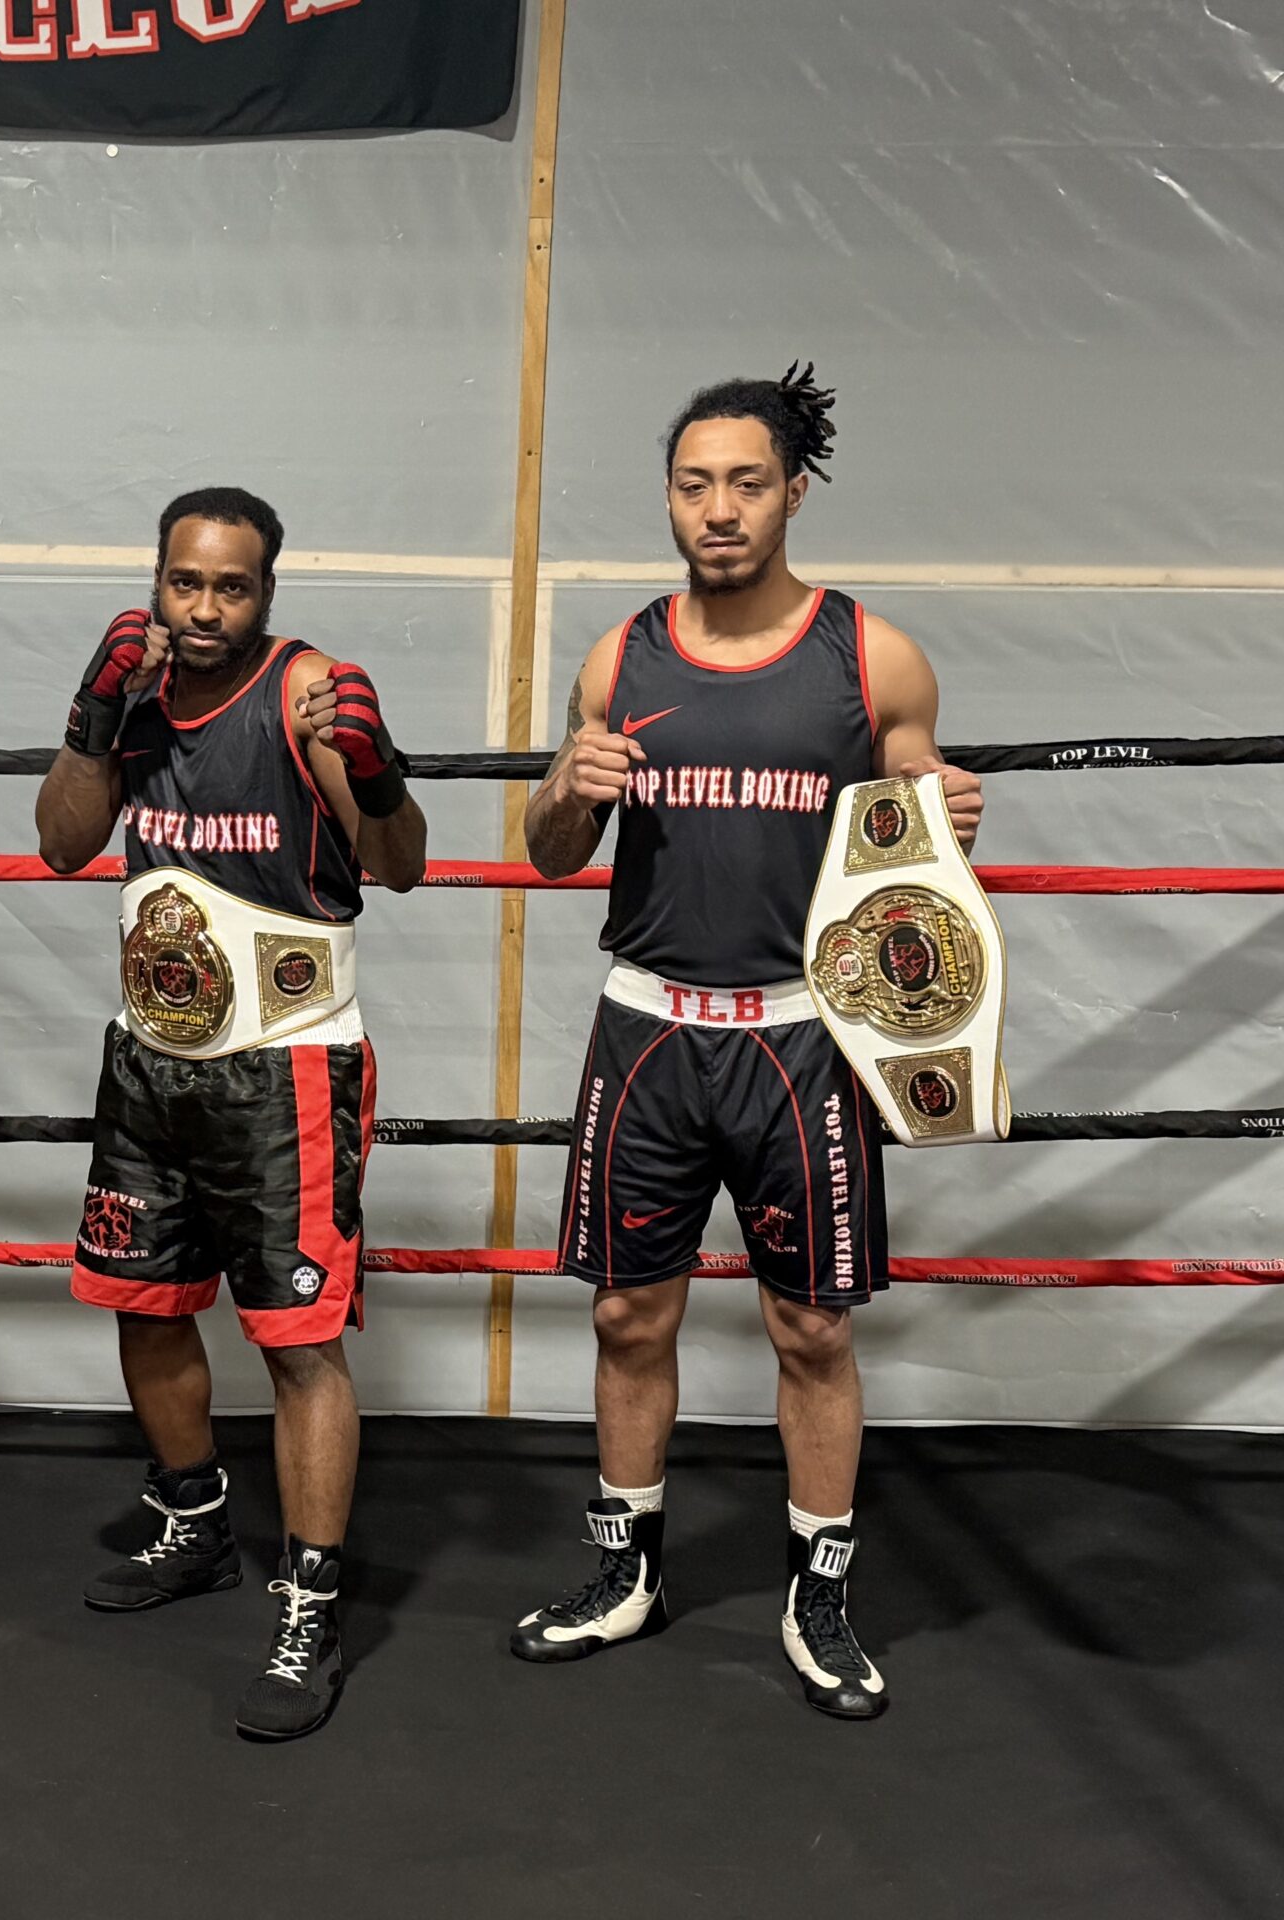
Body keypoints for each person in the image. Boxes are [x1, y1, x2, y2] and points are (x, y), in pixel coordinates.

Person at [507, 366, 984, 1719]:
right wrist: (567, 787)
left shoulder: (872, 658)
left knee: (811, 1329)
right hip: (648, 1030)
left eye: (746, 483)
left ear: (794, 493)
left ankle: (818, 1597)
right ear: (669, 497)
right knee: (625, 1313)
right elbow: (550, 854)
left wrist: (948, 819)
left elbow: (918, 866)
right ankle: (628, 1573)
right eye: (694, 484)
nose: (718, 510)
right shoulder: (621, 658)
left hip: (800, 1037)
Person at [35, 487, 427, 1741]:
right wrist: (92, 718)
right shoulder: (138, 693)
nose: (204, 608)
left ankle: (307, 1604)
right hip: (151, 1059)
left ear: (267, 590)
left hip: (285, 1067)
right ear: (157, 579)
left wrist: (375, 768)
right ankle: (194, 1521)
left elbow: (401, 864)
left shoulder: (306, 692)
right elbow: (60, 843)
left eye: (231, 586)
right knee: (144, 1302)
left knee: (296, 1341)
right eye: (185, 581)